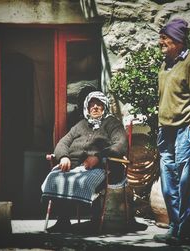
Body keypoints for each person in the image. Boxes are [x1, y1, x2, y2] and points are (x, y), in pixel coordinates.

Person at [154, 19, 190, 245]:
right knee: (168, 183)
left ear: (177, 40)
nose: (161, 42)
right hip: (165, 131)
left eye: (165, 38)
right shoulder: (166, 63)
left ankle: (189, 231)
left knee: (187, 182)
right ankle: (175, 228)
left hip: (186, 129)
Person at [41, 91, 128, 233]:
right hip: (73, 165)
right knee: (54, 178)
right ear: (87, 107)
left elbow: (120, 144)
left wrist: (99, 157)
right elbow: (63, 143)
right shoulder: (80, 125)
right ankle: (63, 220)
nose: (95, 107)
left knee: (85, 181)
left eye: (99, 104)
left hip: (102, 167)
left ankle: (94, 220)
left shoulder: (112, 123)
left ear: (105, 106)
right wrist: (63, 156)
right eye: (91, 104)